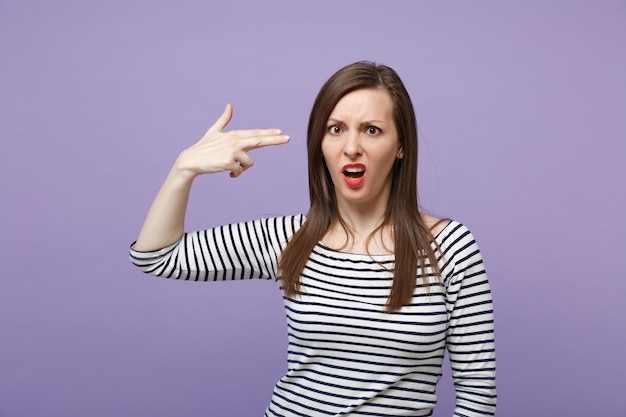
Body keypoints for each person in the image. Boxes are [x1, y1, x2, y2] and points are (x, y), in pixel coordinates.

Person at [130, 61, 497, 416]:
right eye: (336, 129)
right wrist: (184, 169)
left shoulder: (449, 247)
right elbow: (156, 255)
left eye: (372, 130)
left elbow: (477, 401)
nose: (351, 147)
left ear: (401, 145)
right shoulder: (291, 238)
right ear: (320, 143)